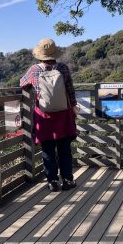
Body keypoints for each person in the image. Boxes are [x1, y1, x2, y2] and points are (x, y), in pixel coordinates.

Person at [20, 38, 79, 191]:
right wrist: (73, 106)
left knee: (47, 149)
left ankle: (52, 181)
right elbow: (70, 90)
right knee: (64, 149)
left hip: (43, 115)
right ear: (54, 53)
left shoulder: (34, 70)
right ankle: (67, 180)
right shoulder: (63, 68)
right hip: (63, 114)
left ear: (40, 54)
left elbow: (22, 83)